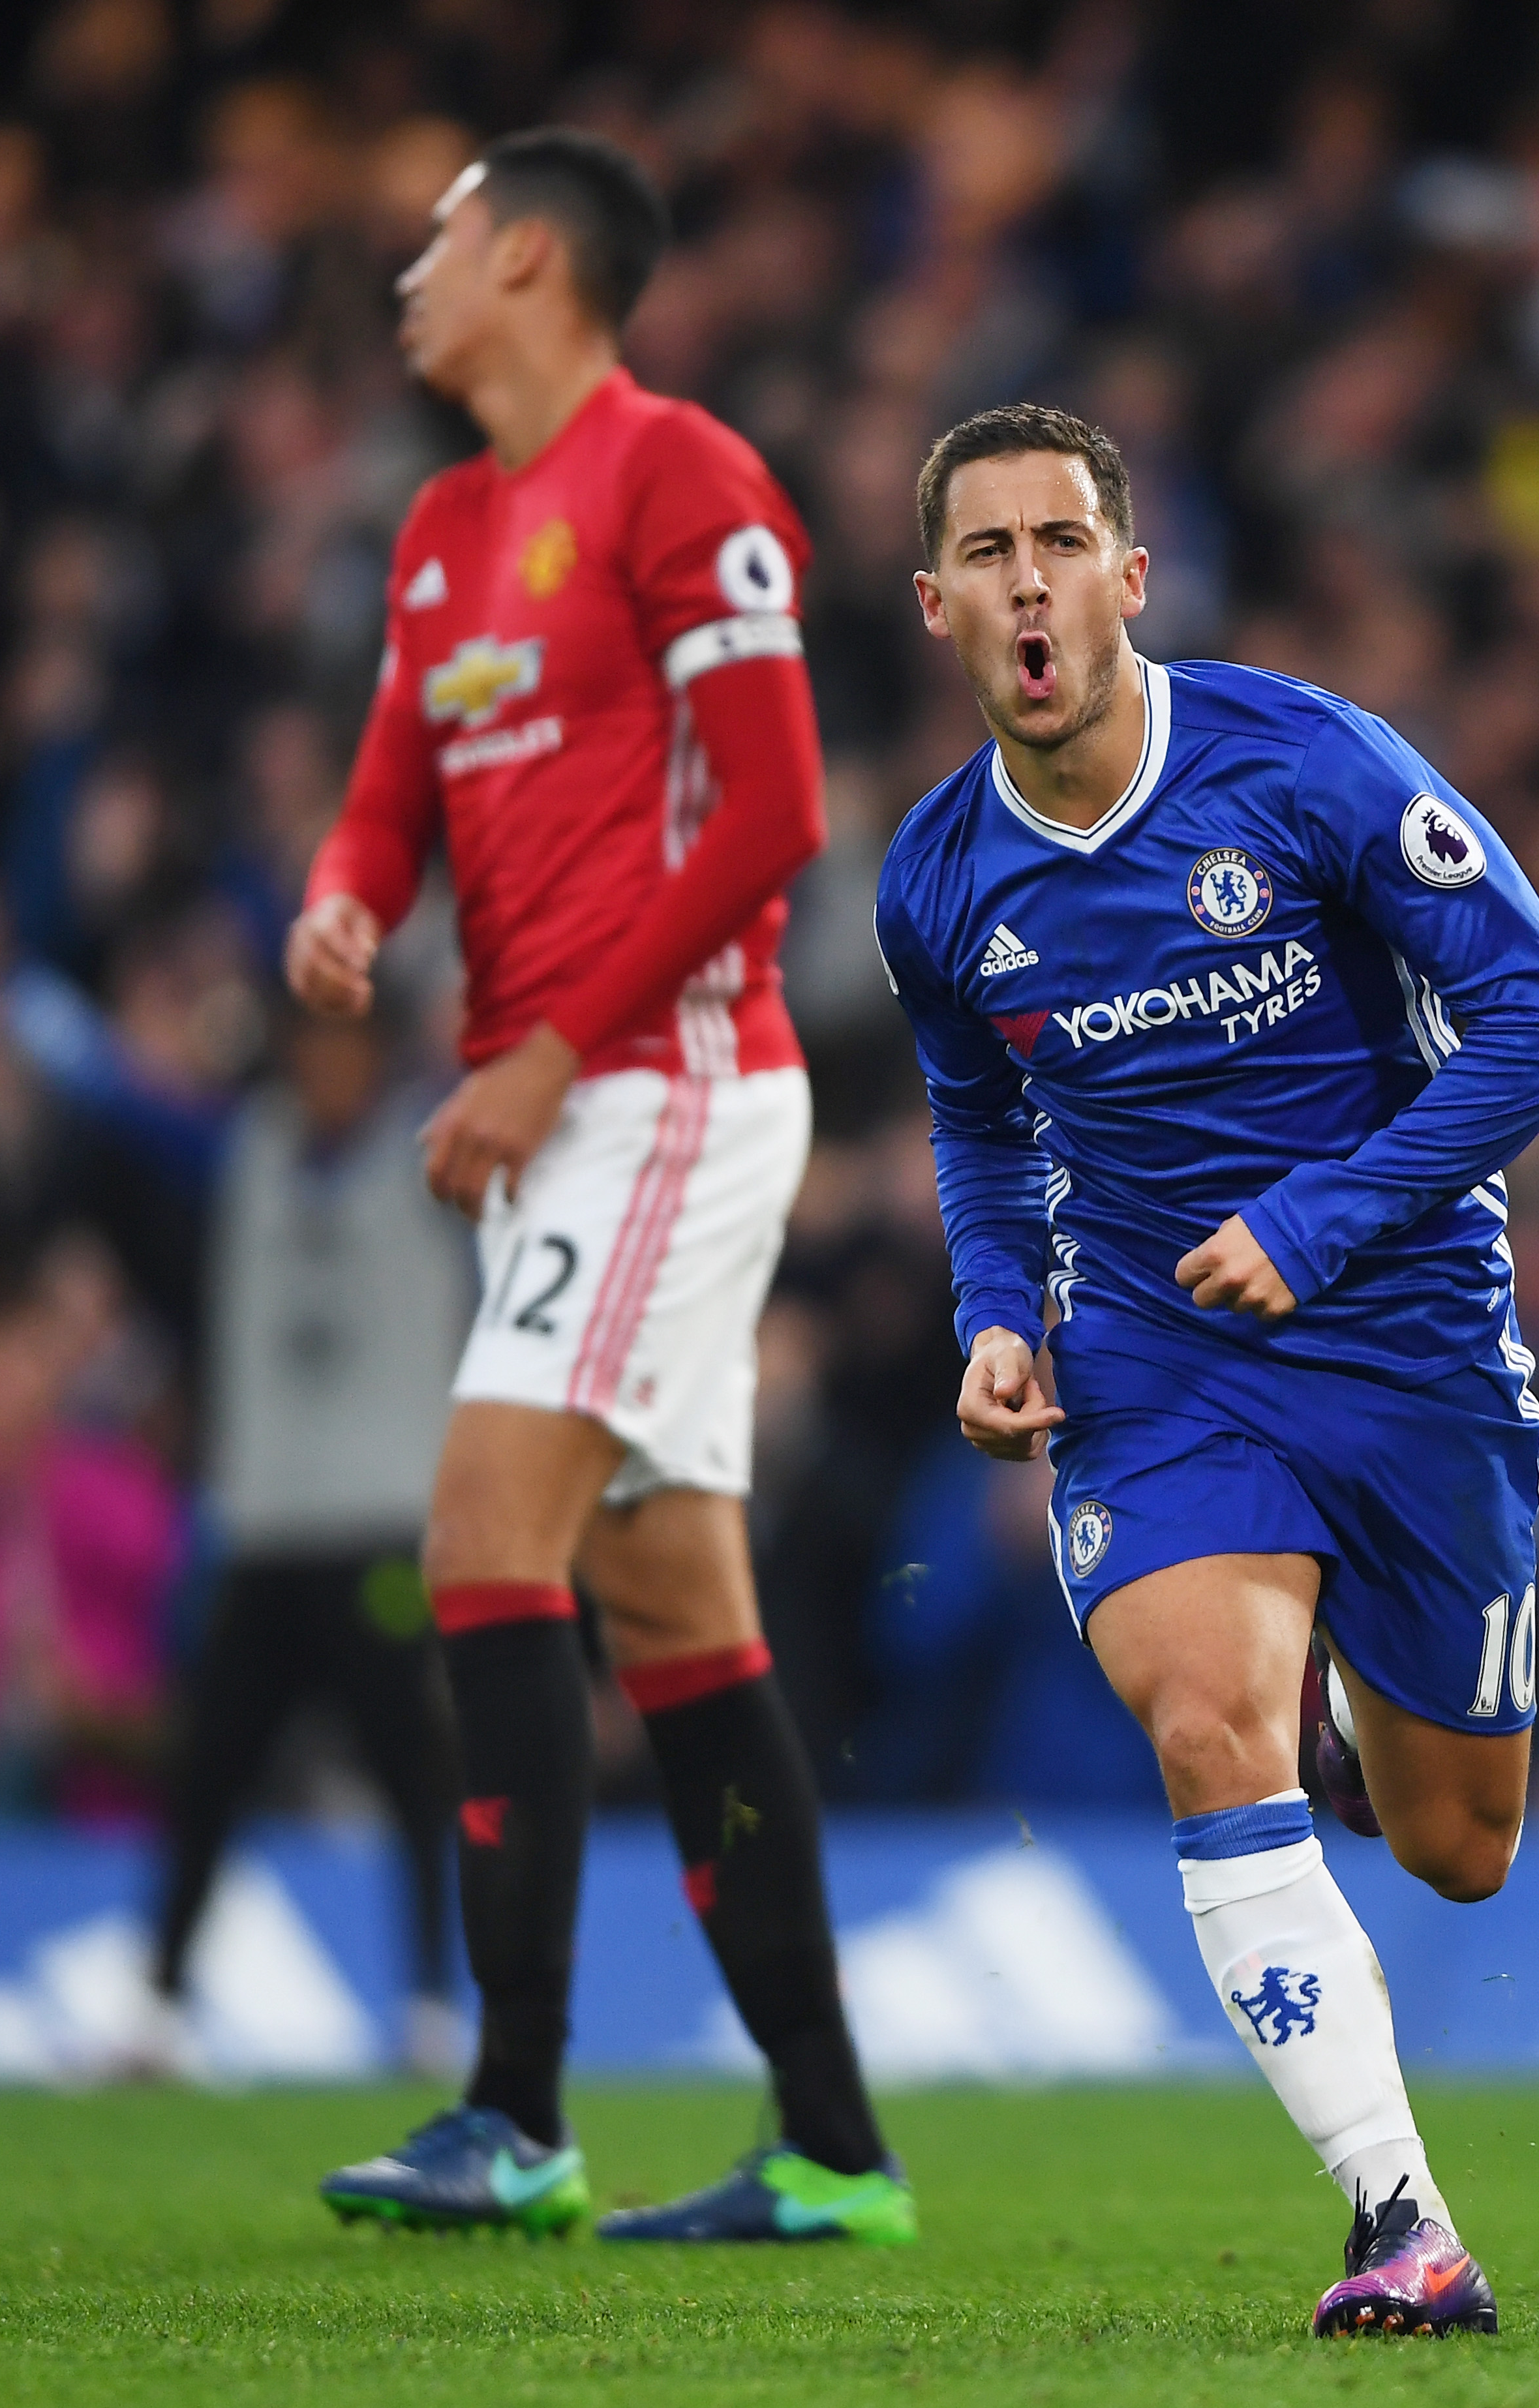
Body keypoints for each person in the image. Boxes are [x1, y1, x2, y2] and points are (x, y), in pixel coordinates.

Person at [874, 403, 1539, 2336]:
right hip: (1156, 1355)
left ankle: (1352, 1719)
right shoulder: (935, 880)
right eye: (987, 553)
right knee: (1206, 1721)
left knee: (1459, 1848)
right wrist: (995, 1312)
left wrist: (1318, 1218)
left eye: (1060, 543)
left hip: (1406, 1333)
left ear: (1130, 575)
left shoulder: (1303, 763)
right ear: (937, 604)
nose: (1028, 584)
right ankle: (1401, 2218)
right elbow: (978, 1121)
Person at [286, 129, 904, 2246]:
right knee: (675, 1616)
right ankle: (832, 2148)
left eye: (440, 242)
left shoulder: (679, 476)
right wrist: (346, 901)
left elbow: (779, 813)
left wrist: (550, 1051)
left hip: (665, 1085)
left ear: (531, 260)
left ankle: (514, 2109)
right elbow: (390, 792)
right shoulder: (445, 530)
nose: (410, 277)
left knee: (483, 1531)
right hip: (564, 1104)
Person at [145, 1003, 469, 2077]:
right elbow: (132, 1111)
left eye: (345, 1051)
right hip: (265, 1526)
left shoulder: (440, 1154)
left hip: (380, 1531)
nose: (326, 1071)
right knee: (209, 1772)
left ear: (377, 1061)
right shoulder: (249, 1152)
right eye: (311, 1051)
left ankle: (431, 2006)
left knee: (411, 1771)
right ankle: (160, 2008)